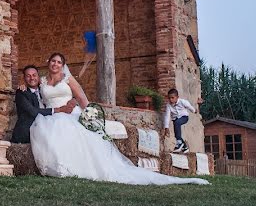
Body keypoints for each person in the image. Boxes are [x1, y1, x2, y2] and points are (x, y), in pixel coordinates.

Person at [28, 52, 208, 186]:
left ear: (63, 65)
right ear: (48, 63)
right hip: (53, 115)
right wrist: (22, 84)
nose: (55, 64)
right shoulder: (42, 81)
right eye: (53, 61)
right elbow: (33, 90)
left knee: (76, 137)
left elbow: (82, 98)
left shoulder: (68, 79)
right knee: (50, 134)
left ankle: (78, 169)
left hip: (71, 113)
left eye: (59, 62)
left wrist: (91, 116)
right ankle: (60, 167)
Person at [11, 65, 74, 144]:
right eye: (28, 76)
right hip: (27, 133)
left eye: (34, 75)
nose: (32, 78)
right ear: (24, 78)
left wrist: (71, 101)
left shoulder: (45, 90)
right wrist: (58, 110)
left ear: (38, 77)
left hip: (47, 127)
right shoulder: (21, 93)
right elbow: (33, 111)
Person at [163, 88, 197, 153]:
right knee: (177, 135)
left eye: (172, 98)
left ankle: (179, 144)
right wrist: (166, 127)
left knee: (177, 123)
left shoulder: (183, 102)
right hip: (175, 120)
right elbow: (167, 116)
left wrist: (194, 110)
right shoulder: (168, 105)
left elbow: (189, 107)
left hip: (184, 117)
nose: (171, 100)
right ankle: (185, 147)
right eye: (169, 98)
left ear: (177, 97)